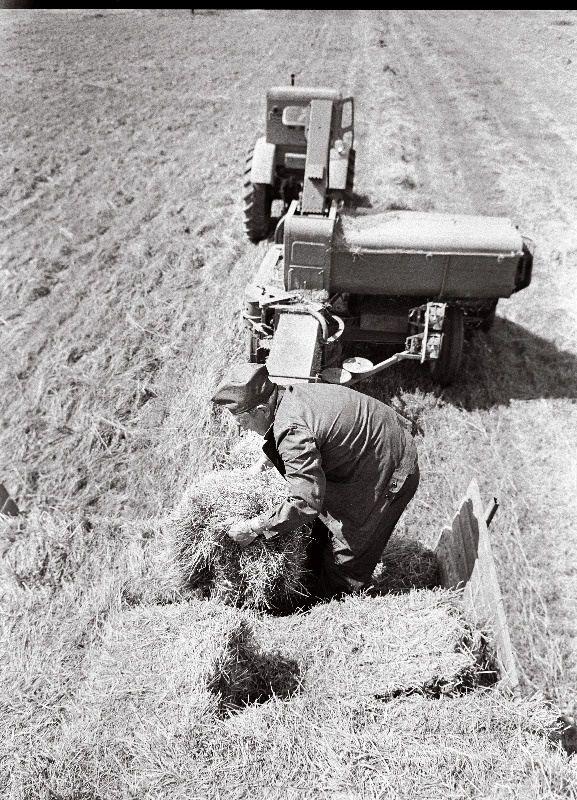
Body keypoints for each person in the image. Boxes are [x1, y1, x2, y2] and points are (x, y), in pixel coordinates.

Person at [211, 362, 419, 600]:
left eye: (244, 422)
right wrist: (263, 462)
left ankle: (332, 602)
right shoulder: (285, 394)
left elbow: (305, 502)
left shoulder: (292, 429)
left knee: (345, 559)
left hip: (391, 470)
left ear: (262, 410)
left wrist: (254, 528)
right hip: (376, 443)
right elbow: (307, 431)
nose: (243, 429)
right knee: (321, 527)